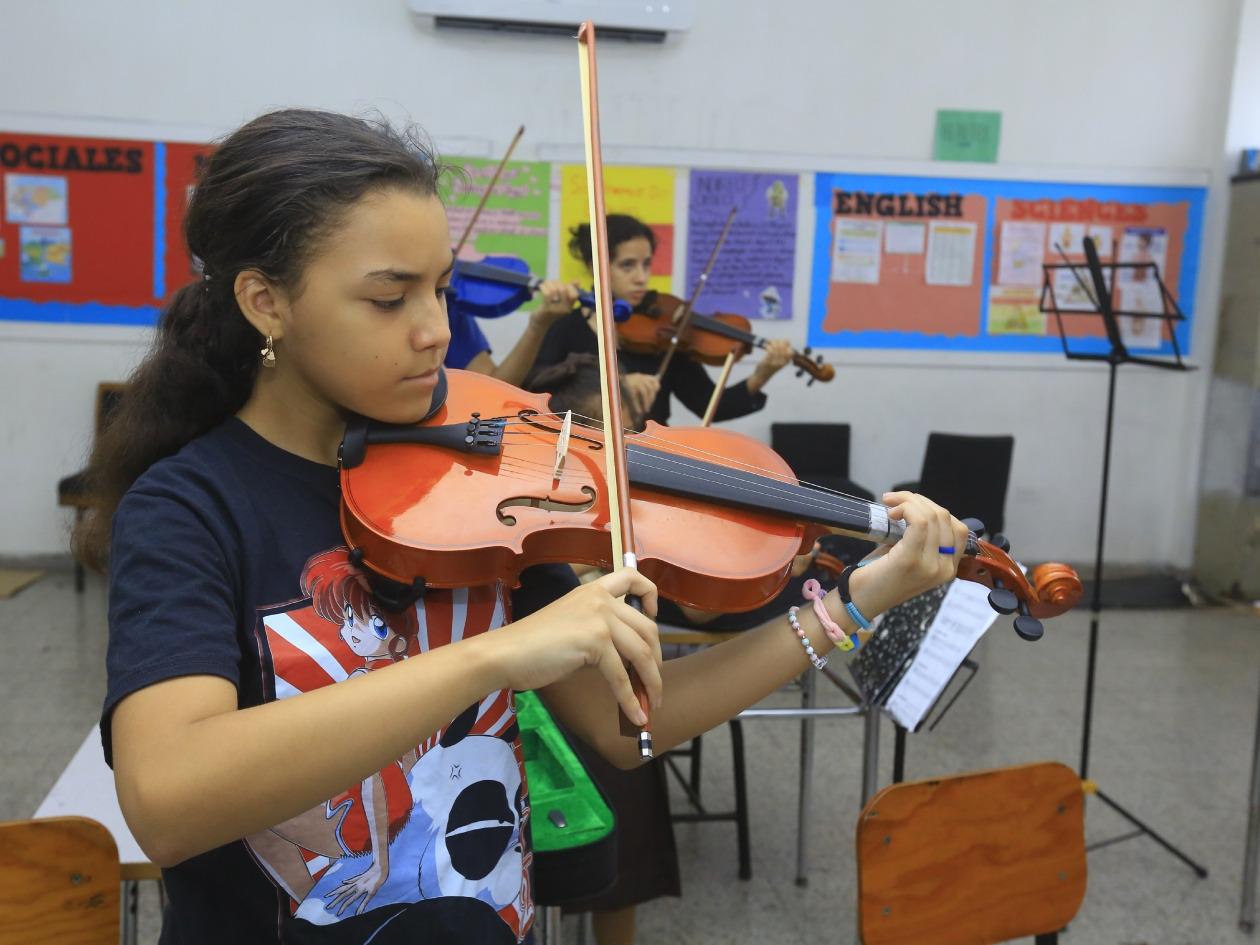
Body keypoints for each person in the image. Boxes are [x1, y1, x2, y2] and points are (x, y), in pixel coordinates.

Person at [74, 108, 968, 945]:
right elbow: (167, 796)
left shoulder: (474, 485)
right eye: (390, 299)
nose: (434, 331)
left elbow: (632, 726)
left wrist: (853, 602)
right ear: (266, 302)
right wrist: (496, 654)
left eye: (442, 288)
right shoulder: (188, 508)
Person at [531, 214, 794, 426]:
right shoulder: (565, 326)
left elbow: (709, 405)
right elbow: (535, 393)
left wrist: (762, 375)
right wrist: (617, 387)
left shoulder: (667, 333)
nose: (641, 277)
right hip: (581, 451)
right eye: (627, 265)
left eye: (646, 264)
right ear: (595, 267)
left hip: (650, 457)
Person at [444, 273, 581, 387]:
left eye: (439, 291)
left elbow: (493, 391)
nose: (440, 334)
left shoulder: (449, 303)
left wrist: (537, 325)